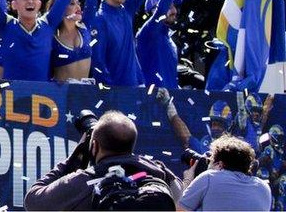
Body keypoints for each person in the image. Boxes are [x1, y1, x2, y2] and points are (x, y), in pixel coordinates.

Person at [24, 110, 182, 210]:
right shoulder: (158, 173)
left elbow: (33, 201)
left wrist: (75, 157)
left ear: (94, 146)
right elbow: (183, 200)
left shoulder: (84, 182)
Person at [136, 0, 192, 88]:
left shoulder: (170, 41)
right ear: (155, 10)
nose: (174, 11)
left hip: (169, 104)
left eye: (175, 6)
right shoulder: (147, 33)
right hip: (150, 104)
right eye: (169, 6)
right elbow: (161, 10)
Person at [179, 135, 272, 211]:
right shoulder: (264, 188)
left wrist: (188, 180)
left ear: (219, 164)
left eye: (210, 162)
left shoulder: (208, 178)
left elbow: (178, 210)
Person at [156, 88, 233, 154]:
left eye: (220, 125)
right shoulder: (206, 142)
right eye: (214, 124)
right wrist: (169, 105)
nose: (216, 128)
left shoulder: (234, 146)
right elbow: (187, 138)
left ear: (228, 127)